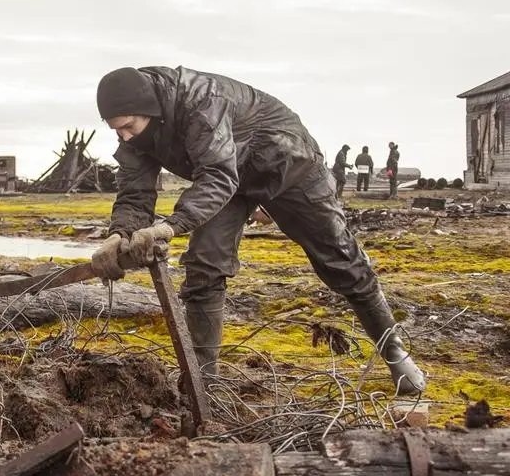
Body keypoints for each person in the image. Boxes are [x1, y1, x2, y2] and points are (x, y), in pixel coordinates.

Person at [90, 66, 426, 395]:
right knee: (205, 264)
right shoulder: (136, 132)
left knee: (340, 258)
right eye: (116, 130)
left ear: (147, 107)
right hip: (231, 182)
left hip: (289, 164)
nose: (125, 136)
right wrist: (120, 233)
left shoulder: (202, 102)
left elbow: (218, 174)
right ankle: (203, 381)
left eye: (128, 127)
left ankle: (394, 351)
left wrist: (169, 226)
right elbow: (136, 190)